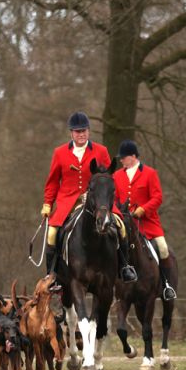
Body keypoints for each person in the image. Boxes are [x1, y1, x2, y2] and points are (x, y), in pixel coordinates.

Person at [41, 111, 137, 282]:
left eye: (84, 130)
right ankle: (52, 275)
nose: (81, 134)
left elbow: (110, 179)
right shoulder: (60, 153)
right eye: (78, 131)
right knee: (52, 233)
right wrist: (48, 204)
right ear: (71, 133)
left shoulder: (101, 151)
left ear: (88, 131)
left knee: (121, 227)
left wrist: (115, 202)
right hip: (68, 201)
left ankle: (124, 266)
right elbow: (53, 181)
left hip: (97, 200)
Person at [113, 140, 177, 300]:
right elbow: (113, 199)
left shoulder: (150, 173)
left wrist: (143, 209)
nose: (121, 160)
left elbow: (157, 197)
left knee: (162, 248)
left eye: (123, 157)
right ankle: (111, 288)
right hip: (124, 225)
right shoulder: (116, 176)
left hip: (148, 224)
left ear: (133, 156)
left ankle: (166, 286)